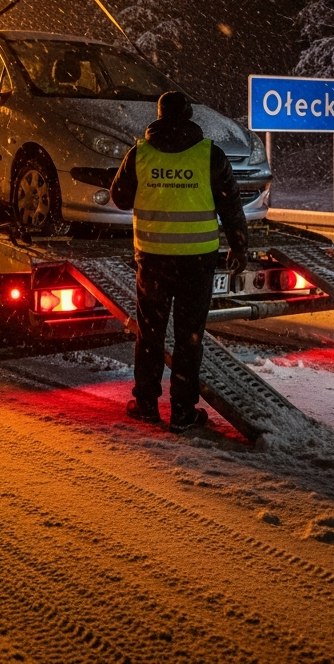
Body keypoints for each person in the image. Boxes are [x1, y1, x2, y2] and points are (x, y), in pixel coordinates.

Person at [110, 90, 248, 432]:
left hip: (153, 260)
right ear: (188, 116)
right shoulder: (209, 154)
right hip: (196, 261)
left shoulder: (139, 154)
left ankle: (145, 404)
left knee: (150, 334)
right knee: (189, 337)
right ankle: (183, 412)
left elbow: (119, 199)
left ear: (158, 117)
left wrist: (154, 185)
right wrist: (239, 246)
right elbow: (231, 205)